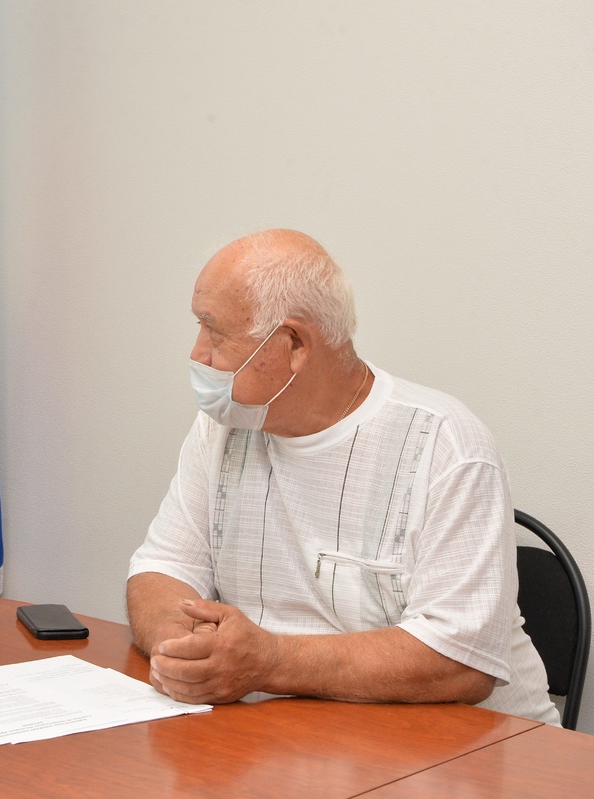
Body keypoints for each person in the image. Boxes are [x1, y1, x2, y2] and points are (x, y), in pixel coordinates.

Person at [126, 228, 559, 724]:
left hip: (480, 751)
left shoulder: (446, 446)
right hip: (300, 739)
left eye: (215, 332)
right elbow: (162, 568)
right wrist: (176, 642)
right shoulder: (222, 429)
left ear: (293, 344)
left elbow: (460, 662)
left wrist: (268, 662)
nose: (198, 354)